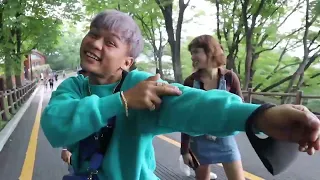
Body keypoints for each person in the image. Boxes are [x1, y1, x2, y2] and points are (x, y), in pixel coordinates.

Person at [40, 10, 320, 180]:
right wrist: (121, 102)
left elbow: (193, 104)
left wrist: (259, 116)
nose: (95, 43)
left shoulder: (142, 85)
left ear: (127, 62)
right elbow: (56, 127)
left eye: (110, 42)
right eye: (92, 33)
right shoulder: (74, 87)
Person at [181, 35, 244, 180]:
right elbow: (184, 118)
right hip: (198, 140)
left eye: (196, 52)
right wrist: (184, 150)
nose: (193, 57)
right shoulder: (190, 82)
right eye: (192, 53)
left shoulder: (229, 78)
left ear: (210, 52)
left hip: (225, 138)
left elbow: (240, 107)